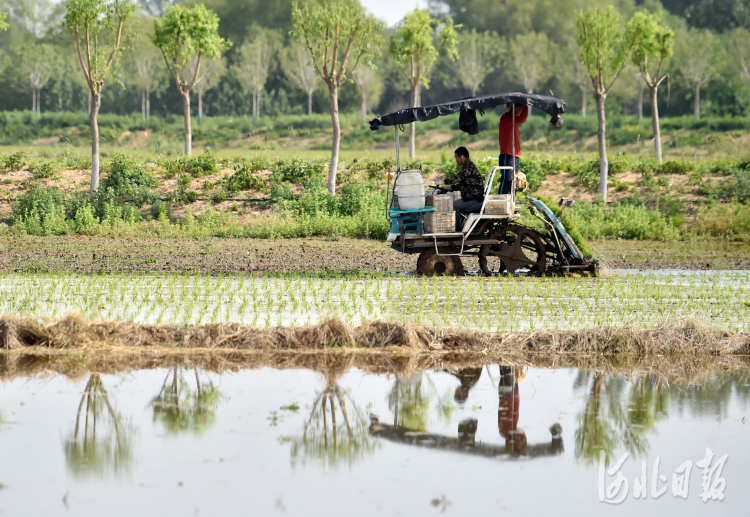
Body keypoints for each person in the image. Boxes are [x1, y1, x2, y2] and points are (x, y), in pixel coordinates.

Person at [439, 147, 484, 231]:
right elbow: (464, 185)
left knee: (453, 206)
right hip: (469, 198)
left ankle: (457, 231)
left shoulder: (469, 167)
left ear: (462, 156)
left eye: (456, 158)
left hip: (474, 199)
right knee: (453, 204)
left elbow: (457, 179)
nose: (456, 160)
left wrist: (443, 182)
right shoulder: (467, 166)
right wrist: (450, 188)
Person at [498, 103, 529, 194]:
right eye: (521, 110)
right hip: (507, 155)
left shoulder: (512, 121)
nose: (521, 112)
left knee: (513, 181)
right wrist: (526, 105)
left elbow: (521, 118)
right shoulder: (506, 118)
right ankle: (501, 203)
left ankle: (510, 204)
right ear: (517, 109)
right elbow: (523, 118)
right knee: (507, 180)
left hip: (514, 155)